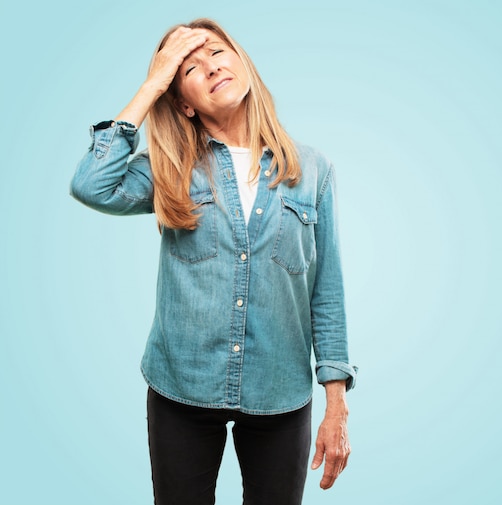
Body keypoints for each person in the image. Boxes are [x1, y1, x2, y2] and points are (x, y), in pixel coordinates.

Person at [70, 17, 357, 505]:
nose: (210, 67)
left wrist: (337, 404)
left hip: (279, 394)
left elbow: (325, 288)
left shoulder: (312, 169)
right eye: (188, 69)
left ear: (242, 61)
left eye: (217, 52)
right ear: (182, 101)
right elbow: (91, 185)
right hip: (181, 387)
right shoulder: (170, 167)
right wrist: (151, 84)